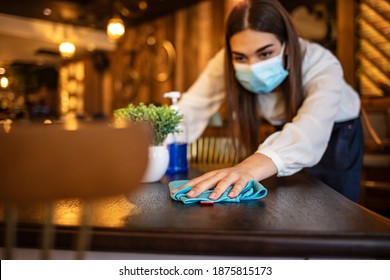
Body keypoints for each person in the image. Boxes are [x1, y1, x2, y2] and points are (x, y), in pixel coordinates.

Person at [172, 0, 363, 202]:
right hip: (283, 133)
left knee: (335, 208)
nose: (253, 67)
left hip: (337, 133)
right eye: (241, 58)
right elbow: (192, 106)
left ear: (287, 45)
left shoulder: (320, 62)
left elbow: (311, 128)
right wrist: (155, 145)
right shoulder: (225, 61)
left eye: (265, 53)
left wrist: (246, 168)